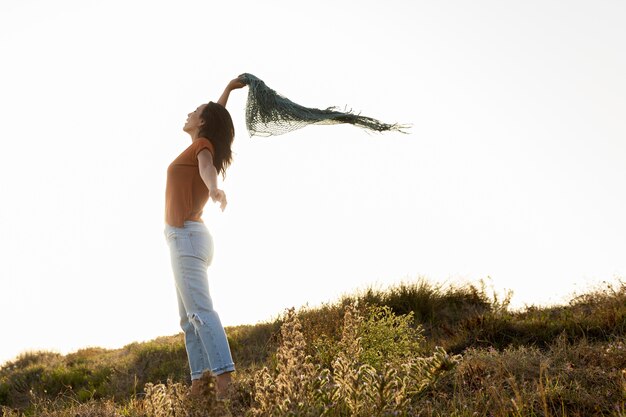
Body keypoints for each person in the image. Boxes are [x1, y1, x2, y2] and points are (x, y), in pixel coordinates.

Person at [163, 77, 245, 398]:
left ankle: (225, 385)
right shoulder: (202, 139)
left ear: (203, 122)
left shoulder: (202, 147)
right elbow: (215, 113)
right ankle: (199, 384)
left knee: (200, 312)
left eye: (195, 111)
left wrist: (213, 187)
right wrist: (227, 88)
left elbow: (206, 165)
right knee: (187, 319)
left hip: (186, 237)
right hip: (184, 238)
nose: (189, 113)